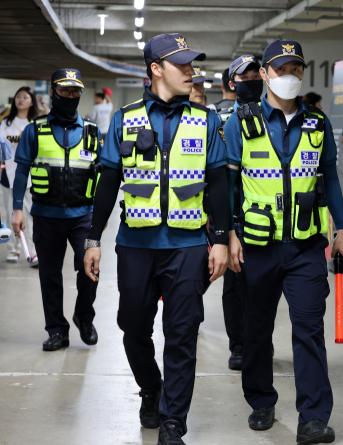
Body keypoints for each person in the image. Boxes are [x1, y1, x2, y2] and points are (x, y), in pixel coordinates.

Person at [82, 33, 230, 445]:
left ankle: (172, 424)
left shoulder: (207, 120)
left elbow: (218, 182)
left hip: (186, 247)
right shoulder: (125, 118)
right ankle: (151, 386)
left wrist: (219, 238)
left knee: (182, 332)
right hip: (136, 245)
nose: (191, 71)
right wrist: (93, 239)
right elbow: (108, 180)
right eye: (182, 64)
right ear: (155, 69)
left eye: (192, 64)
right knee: (132, 326)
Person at [224, 39, 343, 444]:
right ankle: (261, 399)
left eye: (296, 68)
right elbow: (227, 185)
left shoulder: (317, 123)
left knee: (309, 327)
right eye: (281, 69)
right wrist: (229, 236)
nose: (290, 76)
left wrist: (342, 228)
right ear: (263, 74)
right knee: (257, 328)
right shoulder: (239, 124)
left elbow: (329, 177)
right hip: (257, 246)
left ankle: (313, 416)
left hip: (306, 246)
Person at [11, 69, 102, 351]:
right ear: (53, 92)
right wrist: (17, 209)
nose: (71, 96)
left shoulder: (92, 131)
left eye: (75, 92)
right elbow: (21, 171)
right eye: (65, 91)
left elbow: (103, 175)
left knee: (91, 270)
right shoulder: (34, 130)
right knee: (49, 275)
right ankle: (57, 330)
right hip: (46, 215)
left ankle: (83, 317)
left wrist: (100, 217)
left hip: (83, 217)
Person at [217, 54, 263, 371]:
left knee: (260, 287)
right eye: (243, 78)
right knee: (235, 284)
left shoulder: (273, 117)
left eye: (254, 76)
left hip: (266, 217)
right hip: (234, 215)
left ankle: (259, 342)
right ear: (232, 84)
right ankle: (238, 344)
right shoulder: (222, 121)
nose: (250, 83)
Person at [1, 86, 40, 265]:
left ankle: (33, 251)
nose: (21, 100)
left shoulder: (36, 124)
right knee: (11, 214)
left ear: (32, 101)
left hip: (30, 177)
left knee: (31, 215)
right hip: (8, 175)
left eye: (25, 97)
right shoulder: (6, 123)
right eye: (18, 96)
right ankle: (13, 250)